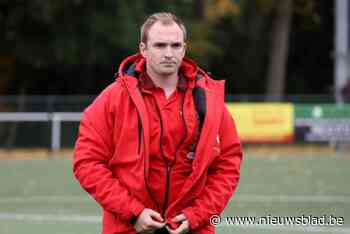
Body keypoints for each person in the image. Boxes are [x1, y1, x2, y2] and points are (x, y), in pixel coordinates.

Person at [73, 12, 243, 234]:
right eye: (160, 45)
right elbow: (87, 162)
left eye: (175, 45)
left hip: (194, 227)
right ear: (143, 49)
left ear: (184, 49)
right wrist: (133, 212)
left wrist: (197, 215)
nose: (169, 53)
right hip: (127, 227)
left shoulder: (208, 100)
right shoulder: (113, 99)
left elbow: (228, 164)